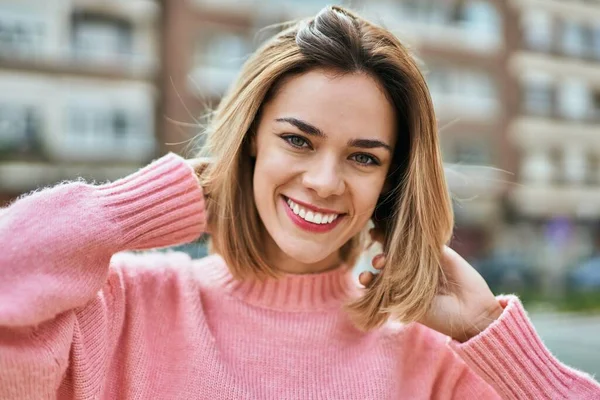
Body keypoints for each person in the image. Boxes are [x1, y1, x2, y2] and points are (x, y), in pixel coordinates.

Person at [1, 6, 598, 399]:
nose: (323, 180)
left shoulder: (429, 356)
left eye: (364, 156)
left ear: (391, 181)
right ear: (250, 141)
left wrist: (484, 330)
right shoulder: (119, 308)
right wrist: (132, 209)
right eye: (297, 140)